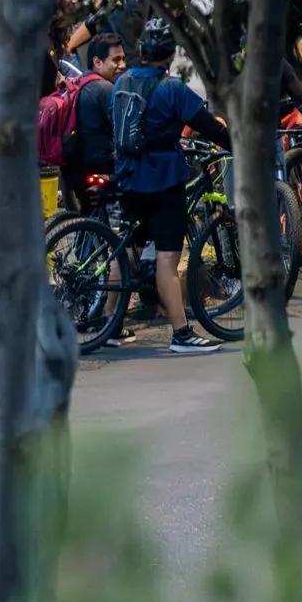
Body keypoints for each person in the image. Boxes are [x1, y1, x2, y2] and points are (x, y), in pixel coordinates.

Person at [111, 18, 232, 353]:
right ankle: (181, 334)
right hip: (162, 182)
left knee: (122, 253)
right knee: (167, 258)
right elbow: (210, 127)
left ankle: (109, 324)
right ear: (169, 54)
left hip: (126, 177)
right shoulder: (172, 89)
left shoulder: (123, 80)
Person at [63, 32, 128, 215]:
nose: (122, 65)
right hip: (99, 166)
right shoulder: (104, 88)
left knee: (91, 220)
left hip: (75, 167)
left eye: (123, 59)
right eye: (115, 60)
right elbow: (126, 126)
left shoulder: (80, 81)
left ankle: (87, 242)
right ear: (97, 62)